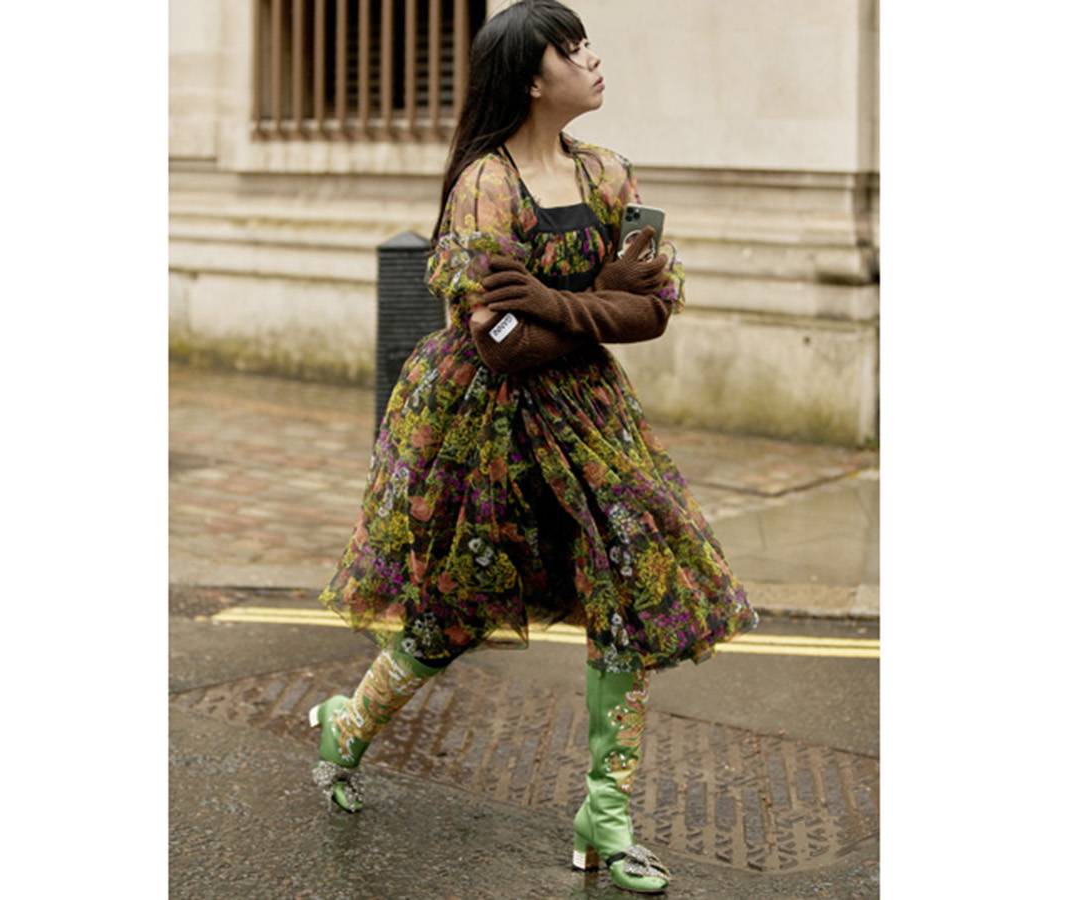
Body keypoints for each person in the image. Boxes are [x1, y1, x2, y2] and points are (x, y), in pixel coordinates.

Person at [308, 0, 757, 892]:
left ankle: (605, 816)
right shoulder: (487, 184)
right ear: (530, 79)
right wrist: (597, 299)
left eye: (588, 43)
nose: (592, 58)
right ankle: (347, 726)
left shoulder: (607, 172)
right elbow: (500, 344)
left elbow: (653, 312)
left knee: (625, 594)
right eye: (571, 48)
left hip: (590, 419)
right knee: (455, 610)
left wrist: (556, 302)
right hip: (486, 424)